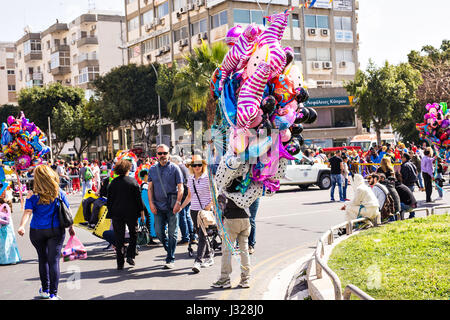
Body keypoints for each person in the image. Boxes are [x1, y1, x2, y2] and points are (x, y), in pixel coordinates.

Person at [17, 165, 75, 300]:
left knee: (42, 259)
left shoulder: (33, 194)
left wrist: (21, 226)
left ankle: (45, 290)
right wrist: (71, 227)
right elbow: (67, 212)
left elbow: (27, 212)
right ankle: (53, 294)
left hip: (37, 231)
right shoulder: (59, 192)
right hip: (55, 230)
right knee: (54, 261)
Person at [148, 144, 184, 269]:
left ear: (169, 153)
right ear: (156, 155)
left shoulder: (175, 168)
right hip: (158, 206)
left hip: (172, 205)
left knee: (172, 233)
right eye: (160, 153)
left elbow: (181, 187)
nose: (162, 155)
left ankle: (170, 258)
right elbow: (150, 188)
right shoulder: (152, 169)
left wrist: (178, 203)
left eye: (165, 153)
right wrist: (151, 204)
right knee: (158, 232)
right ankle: (169, 248)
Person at [106, 159, 145, 270]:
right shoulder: (132, 182)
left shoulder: (113, 183)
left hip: (117, 213)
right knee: (134, 234)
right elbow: (138, 199)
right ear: (128, 169)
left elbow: (109, 201)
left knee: (119, 237)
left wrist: (111, 212)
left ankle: (120, 262)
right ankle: (130, 255)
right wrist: (142, 211)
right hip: (131, 213)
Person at [182, 154, 214, 273]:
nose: (197, 167)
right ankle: (209, 255)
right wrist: (180, 207)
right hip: (194, 210)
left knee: (202, 235)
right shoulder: (190, 179)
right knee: (200, 234)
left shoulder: (208, 177)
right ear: (191, 166)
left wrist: (209, 206)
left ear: (203, 165)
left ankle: (198, 261)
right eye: (194, 165)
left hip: (205, 211)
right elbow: (190, 196)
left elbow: (214, 195)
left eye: (199, 164)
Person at [212, 194, 251, 289]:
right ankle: (245, 279)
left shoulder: (226, 185)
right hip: (245, 218)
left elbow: (220, 206)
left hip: (231, 219)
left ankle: (225, 279)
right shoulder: (246, 184)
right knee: (244, 250)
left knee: (227, 251)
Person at [171, 155, 195, 245]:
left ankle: (185, 237)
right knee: (187, 216)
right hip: (187, 194)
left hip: (183, 195)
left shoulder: (178, 168)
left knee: (182, 216)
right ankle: (192, 236)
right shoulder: (185, 167)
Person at [0, 191, 21, 265]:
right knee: (3, 244)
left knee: (8, 243)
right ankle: (3, 259)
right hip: (2, 228)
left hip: (6, 228)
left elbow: (7, 220)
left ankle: (12, 259)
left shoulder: (5, 206)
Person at [138, 170, 157, 243]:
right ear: (146, 176)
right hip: (148, 210)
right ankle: (149, 239)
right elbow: (147, 200)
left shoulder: (143, 186)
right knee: (149, 223)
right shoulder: (145, 186)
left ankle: (149, 238)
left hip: (145, 209)